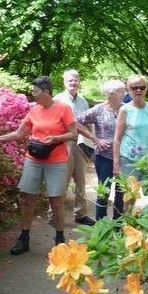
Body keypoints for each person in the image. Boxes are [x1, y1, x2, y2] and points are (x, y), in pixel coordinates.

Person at [0, 76, 77, 255]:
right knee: (27, 199)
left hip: (56, 161)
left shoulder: (63, 109)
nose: (33, 94)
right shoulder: (34, 110)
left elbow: (73, 134)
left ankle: (60, 241)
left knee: (56, 201)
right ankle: (24, 238)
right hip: (34, 160)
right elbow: (20, 133)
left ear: (46, 92)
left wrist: (56, 138)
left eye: (35, 91)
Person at [76, 79, 126, 220]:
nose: (125, 94)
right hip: (104, 157)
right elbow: (75, 121)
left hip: (123, 157)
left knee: (121, 192)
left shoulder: (126, 109)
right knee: (104, 192)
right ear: (111, 94)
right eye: (121, 91)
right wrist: (95, 139)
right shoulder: (99, 109)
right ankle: (101, 224)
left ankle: (118, 226)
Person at [54, 69, 95, 226]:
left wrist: (90, 144)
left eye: (75, 80)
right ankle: (54, 216)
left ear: (79, 81)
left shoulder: (83, 101)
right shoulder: (58, 99)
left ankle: (81, 214)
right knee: (61, 182)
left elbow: (87, 122)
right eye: (70, 80)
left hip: (80, 144)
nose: (73, 82)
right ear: (64, 81)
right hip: (63, 144)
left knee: (81, 181)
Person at [113, 74, 148, 181]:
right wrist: (116, 164)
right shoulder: (124, 110)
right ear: (129, 89)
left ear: (146, 89)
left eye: (142, 87)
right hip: (129, 158)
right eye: (134, 88)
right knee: (131, 195)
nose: (138, 90)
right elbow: (117, 139)